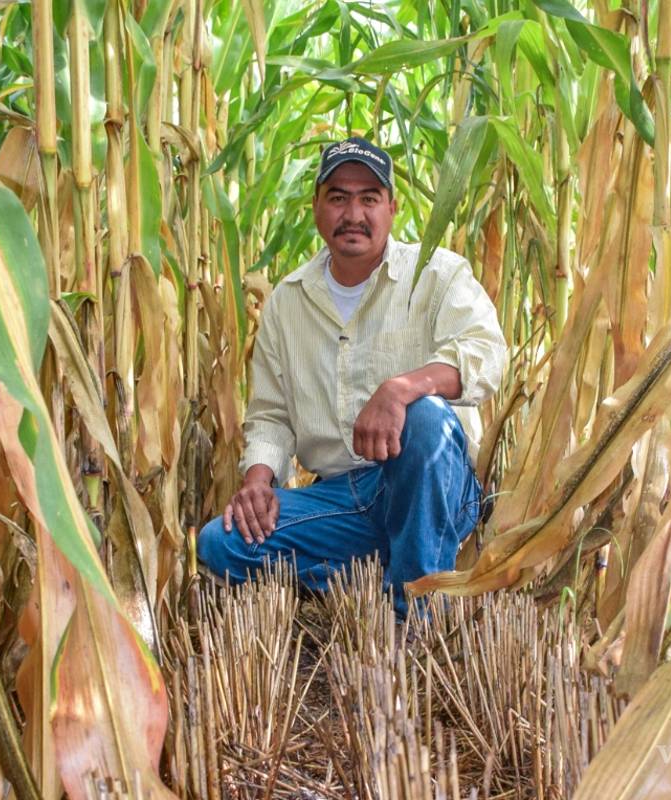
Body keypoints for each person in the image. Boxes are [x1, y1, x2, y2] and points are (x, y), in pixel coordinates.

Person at [196, 136, 506, 617]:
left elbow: (487, 357)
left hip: (435, 486)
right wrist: (258, 481)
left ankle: (413, 614)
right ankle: (391, 566)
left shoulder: (438, 274)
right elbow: (272, 415)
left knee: (421, 418)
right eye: (338, 197)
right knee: (223, 543)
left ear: (392, 208)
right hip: (344, 499)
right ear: (317, 208)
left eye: (369, 199)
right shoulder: (290, 302)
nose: (353, 214)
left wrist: (403, 389)